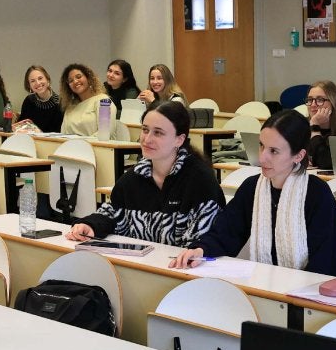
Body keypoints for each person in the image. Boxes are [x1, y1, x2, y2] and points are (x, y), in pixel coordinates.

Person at [170, 110, 336, 275]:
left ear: (298, 156)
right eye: (261, 146)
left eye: (273, 151)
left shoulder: (317, 194)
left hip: (307, 294)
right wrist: (200, 250)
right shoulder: (252, 187)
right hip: (265, 286)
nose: (262, 158)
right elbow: (226, 232)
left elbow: (325, 262)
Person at [66, 102, 223, 247]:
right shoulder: (132, 178)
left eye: (158, 133)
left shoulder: (200, 180)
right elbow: (112, 213)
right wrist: (90, 225)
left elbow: (203, 240)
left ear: (179, 139)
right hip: (141, 266)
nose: (147, 139)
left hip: (185, 270)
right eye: (145, 130)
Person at [304, 79, 336, 171]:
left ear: (333, 103)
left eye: (319, 100)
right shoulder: (300, 125)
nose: (313, 104)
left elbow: (326, 163)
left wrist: (315, 128)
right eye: (310, 99)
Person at [59, 62, 121, 136]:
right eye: (71, 81)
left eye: (78, 77)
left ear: (88, 78)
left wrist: (82, 143)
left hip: (97, 146)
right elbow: (63, 134)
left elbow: (105, 132)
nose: (75, 81)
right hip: (72, 146)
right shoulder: (70, 107)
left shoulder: (103, 101)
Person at [18, 64, 63, 133]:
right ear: (29, 85)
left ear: (47, 80)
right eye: (33, 81)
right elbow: (21, 126)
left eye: (40, 78)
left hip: (51, 142)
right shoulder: (29, 101)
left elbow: (58, 132)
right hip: (29, 141)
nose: (38, 83)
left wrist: (39, 133)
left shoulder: (60, 103)